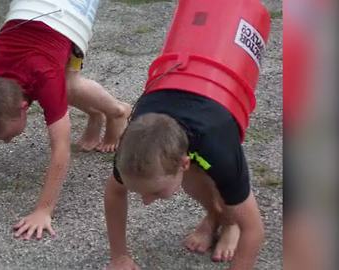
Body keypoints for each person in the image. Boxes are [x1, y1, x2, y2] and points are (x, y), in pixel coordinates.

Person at [0, 10, 130, 240]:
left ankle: (117, 111)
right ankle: (96, 116)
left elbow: (61, 149)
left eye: (6, 136)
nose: (7, 141)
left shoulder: (44, 77)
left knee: (69, 85)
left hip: (70, 15)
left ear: (23, 106)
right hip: (34, 14)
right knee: (64, 86)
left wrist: (43, 209)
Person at [105, 90, 264, 270]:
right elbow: (114, 192)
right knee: (191, 181)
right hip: (179, 92)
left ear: (184, 163)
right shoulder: (130, 150)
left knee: (222, 184)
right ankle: (214, 216)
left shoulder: (219, 148)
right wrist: (118, 256)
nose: (146, 202)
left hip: (224, 89)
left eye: (155, 192)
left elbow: (253, 229)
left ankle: (229, 222)